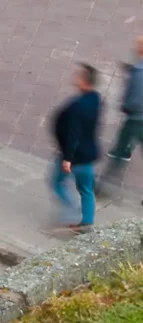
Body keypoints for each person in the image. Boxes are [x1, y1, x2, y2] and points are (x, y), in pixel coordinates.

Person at [49, 61, 103, 232]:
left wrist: (67, 158)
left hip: (74, 157)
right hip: (89, 154)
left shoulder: (77, 106)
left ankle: (72, 212)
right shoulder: (96, 99)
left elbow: (73, 134)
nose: (75, 77)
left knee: (57, 183)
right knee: (86, 190)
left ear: (85, 81)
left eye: (78, 75)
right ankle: (87, 221)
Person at [100, 35, 143, 194]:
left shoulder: (138, 72)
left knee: (119, 151)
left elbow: (134, 101)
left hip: (136, 120)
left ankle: (103, 186)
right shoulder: (137, 69)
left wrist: (125, 106)